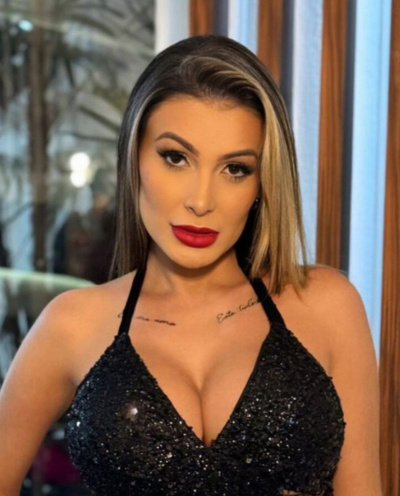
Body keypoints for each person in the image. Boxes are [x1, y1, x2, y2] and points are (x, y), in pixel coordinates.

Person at [0, 34, 381, 496]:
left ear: (262, 183)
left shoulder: (326, 306)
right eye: (175, 158)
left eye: (235, 169)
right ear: (134, 159)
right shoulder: (72, 325)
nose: (201, 201)